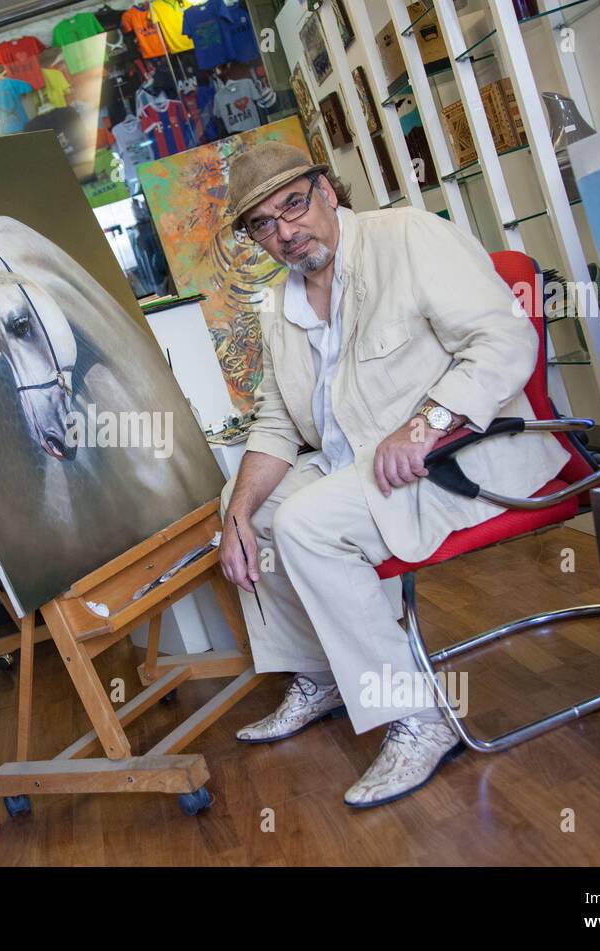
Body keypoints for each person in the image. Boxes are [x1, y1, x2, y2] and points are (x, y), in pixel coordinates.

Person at [218, 142, 569, 808]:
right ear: (254, 238)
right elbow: (274, 425)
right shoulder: (277, 305)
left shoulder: (406, 235)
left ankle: (418, 719)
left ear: (325, 189)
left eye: (293, 204)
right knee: (250, 514)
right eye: (263, 223)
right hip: (358, 462)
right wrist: (235, 512)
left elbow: (505, 340)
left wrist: (428, 421)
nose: (286, 231)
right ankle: (322, 674)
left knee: (304, 522)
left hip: (459, 454)